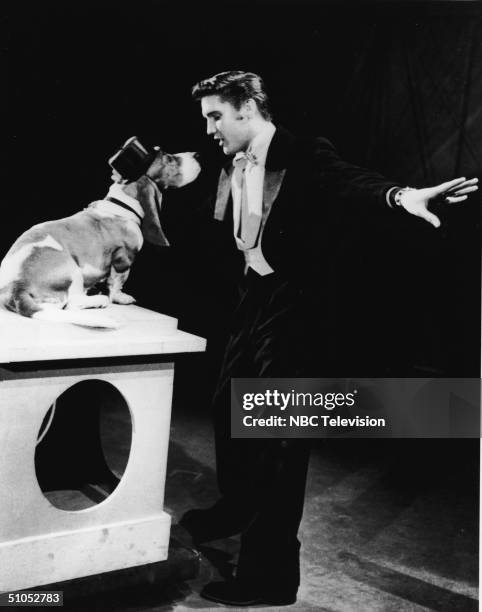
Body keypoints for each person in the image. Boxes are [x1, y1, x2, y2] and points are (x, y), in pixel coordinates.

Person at [157, 71, 478, 607]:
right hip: (253, 299)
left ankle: (271, 578)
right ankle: (236, 510)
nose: (209, 128)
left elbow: (351, 180)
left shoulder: (302, 152)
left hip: (300, 307)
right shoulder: (229, 160)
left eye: (216, 116)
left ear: (247, 108)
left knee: (277, 438)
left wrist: (401, 195)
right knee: (226, 409)